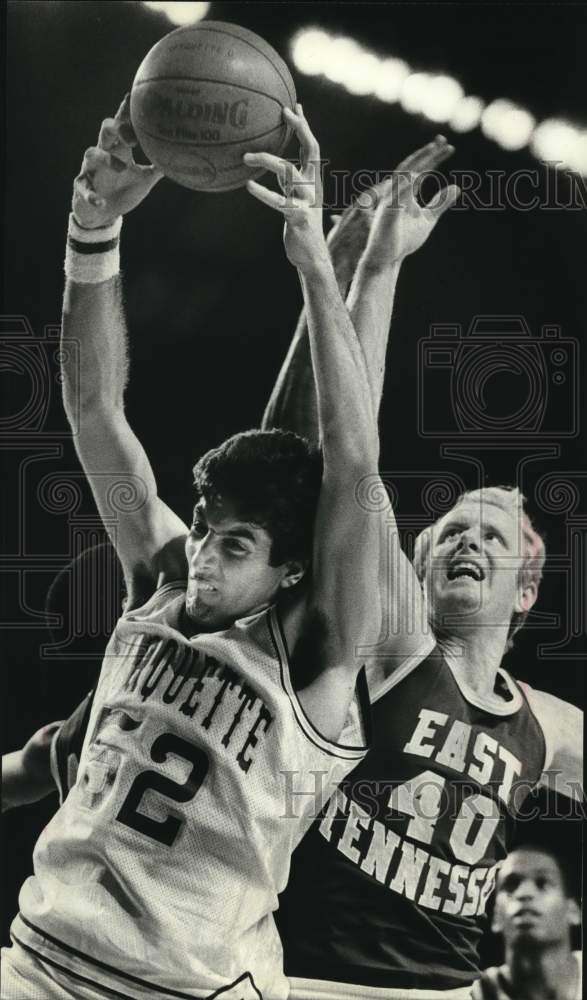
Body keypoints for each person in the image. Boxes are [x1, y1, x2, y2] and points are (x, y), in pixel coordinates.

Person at [1, 99, 383, 1000]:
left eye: (235, 543)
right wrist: (91, 227)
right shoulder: (164, 577)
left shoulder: (318, 652)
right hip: (41, 959)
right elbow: (96, 413)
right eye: (206, 526)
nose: (204, 551)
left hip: (186, 988)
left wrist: (313, 264)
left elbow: (355, 463)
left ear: (291, 568)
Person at [261, 151, 583, 996]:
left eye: (489, 534)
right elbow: (349, 453)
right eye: (444, 532)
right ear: (413, 564)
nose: (462, 541)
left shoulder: (546, 726)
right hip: (313, 979)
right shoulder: (398, 641)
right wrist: (378, 264)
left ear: (526, 591)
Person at [472, 847, 581, 999]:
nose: (524, 893)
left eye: (542, 883)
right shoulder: (471, 994)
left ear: (573, 911)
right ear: (496, 916)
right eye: (511, 885)